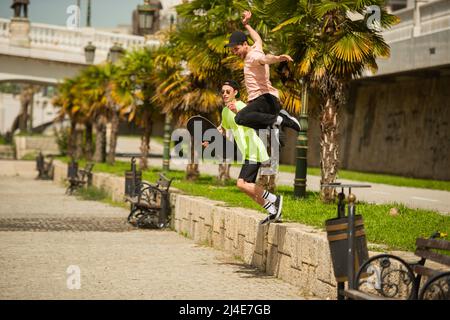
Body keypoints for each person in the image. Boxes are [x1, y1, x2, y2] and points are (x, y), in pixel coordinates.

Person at [203, 80, 283, 225]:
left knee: (241, 184)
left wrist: (238, 111)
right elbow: (222, 128)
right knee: (247, 188)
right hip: (247, 152)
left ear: (235, 93)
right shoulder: (225, 110)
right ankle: (272, 210)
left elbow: (252, 117)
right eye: (223, 92)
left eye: (228, 91)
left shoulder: (241, 106)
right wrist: (209, 140)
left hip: (254, 149)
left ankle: (274, 200)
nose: (225, 94)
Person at [224, 10, 301, 147]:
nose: (235, 53)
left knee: (240, 118)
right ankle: (274, 129)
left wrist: (277, 58)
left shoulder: (253, 56)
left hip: (264, 99)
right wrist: (247, 25)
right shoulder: (256, 47)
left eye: (236, 49)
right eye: (233, 51)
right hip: (267, 102)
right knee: (251, 125)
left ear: (245, 44)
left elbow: (265, 59)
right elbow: (258, 39)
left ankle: (282, 120)